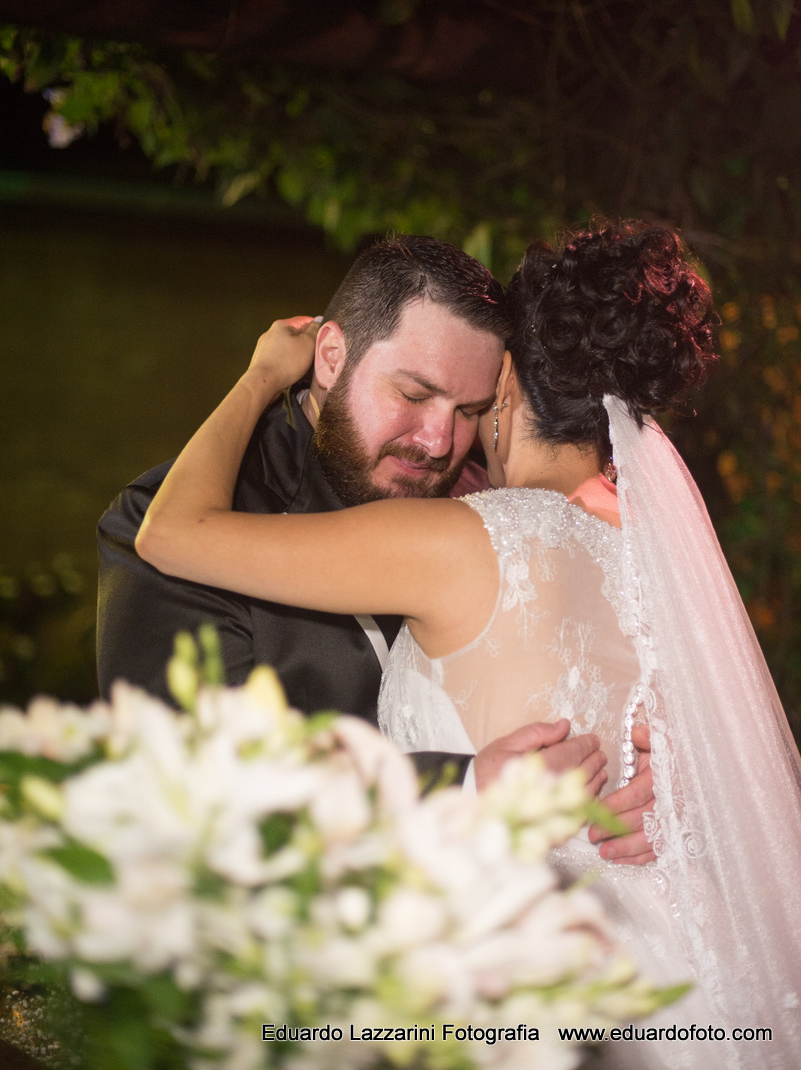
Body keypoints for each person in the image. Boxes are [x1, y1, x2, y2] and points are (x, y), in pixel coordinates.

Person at [135, 220, 801, 1067]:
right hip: (689, 961)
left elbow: (174, 531)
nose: (447, 439)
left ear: (511, 381)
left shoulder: (463, 537)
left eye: (472, 405)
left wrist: (265, 374)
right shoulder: (657, 548)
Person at [98, 235, 646, 847]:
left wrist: (650, 776)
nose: (439, 441)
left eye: (470, 411)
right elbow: (198, 784)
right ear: (330, 357)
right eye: (413, 395)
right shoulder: (174, 520)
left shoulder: (487, 510)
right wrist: (461, 787)